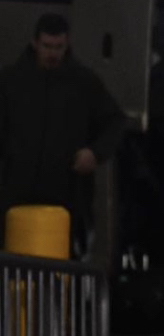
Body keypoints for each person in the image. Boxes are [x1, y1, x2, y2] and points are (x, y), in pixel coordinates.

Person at [0, 13, 125, 255]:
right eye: (47, 46)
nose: (53, 53)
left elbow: (115, 121)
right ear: (35, 43)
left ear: (67, 44)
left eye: (58, 47)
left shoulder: (83, 83)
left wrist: (95, 153)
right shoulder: (11, 82)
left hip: (67, 193)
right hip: (16, 192)